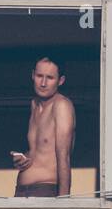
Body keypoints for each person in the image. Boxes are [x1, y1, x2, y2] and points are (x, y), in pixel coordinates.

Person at [12, 56, 75, 198]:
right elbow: (40, 150)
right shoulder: (34, 104)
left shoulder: (61, 105)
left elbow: (64, 157)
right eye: (40, 76)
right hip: (22, 191)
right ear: (33, 75)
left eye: (50, 78)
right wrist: (24, 159)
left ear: (61, 81)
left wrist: (64, 203)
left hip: (45, 190)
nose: (43, 83)